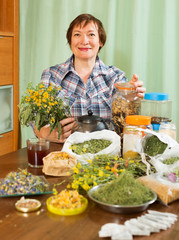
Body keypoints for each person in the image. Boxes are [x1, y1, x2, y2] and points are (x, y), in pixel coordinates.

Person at [34, 13, 146, 143]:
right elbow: (35, 118)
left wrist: (129, 98)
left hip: (107, 154)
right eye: (77, 34)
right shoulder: (52, 75)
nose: (84, 41)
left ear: (101, 41)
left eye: (91, 34)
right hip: (64, 155)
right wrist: (43, 132)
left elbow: (126, 125)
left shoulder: (116, 77)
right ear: (70, 41)